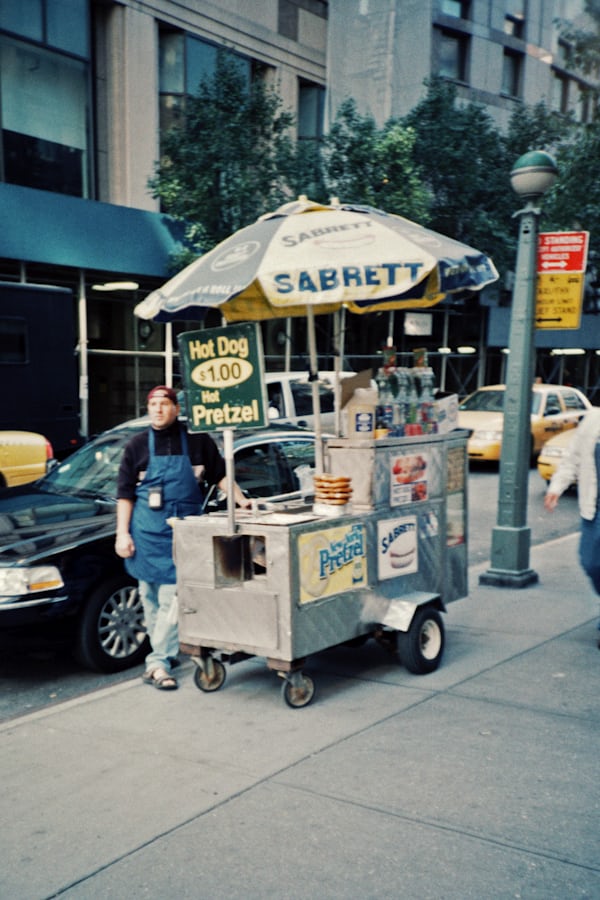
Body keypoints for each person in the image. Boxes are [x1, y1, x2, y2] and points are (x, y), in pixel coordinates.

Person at [115, 385, 251, 690]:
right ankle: (164, 654)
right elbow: (124, 495)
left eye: (165, 404)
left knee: (171, 599)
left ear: (177, 408)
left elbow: (220, 476)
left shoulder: (197, 441)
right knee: (149, 598)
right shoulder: (136, 445)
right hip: (145, 534)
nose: (158, 409)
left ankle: (158, 662)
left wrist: (242, 501)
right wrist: (121, 534)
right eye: (153, 404)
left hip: (181, 537)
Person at [544, 408, 600, 648]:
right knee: (590, 561)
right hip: (594, 508)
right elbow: (573, 458)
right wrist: (557, 487)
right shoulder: (593, 420)